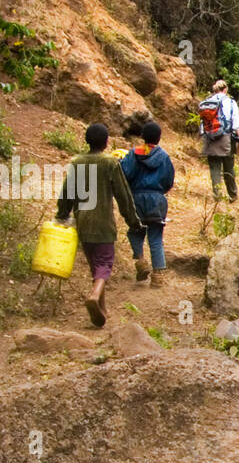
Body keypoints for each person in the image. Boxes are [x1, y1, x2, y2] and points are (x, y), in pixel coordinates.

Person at [56, 122, 143, 328]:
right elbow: (124, 195)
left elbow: (67, 193)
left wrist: (62, 214)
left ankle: (101, 309)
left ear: (87, 141)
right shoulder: (110, 163)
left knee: (95, 267)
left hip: (83, 223)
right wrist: (133, 220)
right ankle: (95, 296)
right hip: (103, 223)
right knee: (104, 264)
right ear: (106, 143)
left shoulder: (77, 162)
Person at [120, 118, 175, 287]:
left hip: (136, 198)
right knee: (156, 237)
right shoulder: (164, 156)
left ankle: (141, 260)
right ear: (159, 138)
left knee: (135, 231)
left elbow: (124, 174)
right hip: (157, 200)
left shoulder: (133, 153)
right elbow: (168, 181)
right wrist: (158, 192)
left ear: (143, 136)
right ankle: (158, 276)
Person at [200, 78, 239, 202]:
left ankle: (217, 196)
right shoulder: (230, 102)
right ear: (226, 89)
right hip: (226, 139)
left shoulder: (207, 102)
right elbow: (236, 123)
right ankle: (232, 195)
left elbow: (203, 123)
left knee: (214, 169)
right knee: (229, 169)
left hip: (210, 139)